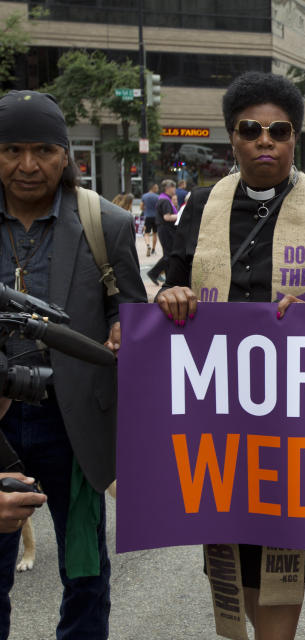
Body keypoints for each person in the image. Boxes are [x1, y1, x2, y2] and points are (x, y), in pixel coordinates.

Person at [156, 71, 305, 640]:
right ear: (232, 138)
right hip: (217, 427)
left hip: (298, 426)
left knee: (286, 557)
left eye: (278, 130)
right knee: (230, 552)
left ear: (294, 138)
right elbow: (170, 289)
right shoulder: (202, 207)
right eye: (250, 129)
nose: (265, 140)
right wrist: (171, 296)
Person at [0, 90, 147, 639]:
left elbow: (130, 306)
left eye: (43, 149)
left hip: (76, 426)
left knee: (85, 574)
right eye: (12, 149)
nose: (28, 165)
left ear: (65, 155)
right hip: (0, 422)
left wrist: (123, 329)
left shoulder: (104, 223)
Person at [145, 179, 178, 285]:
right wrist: (180, 216)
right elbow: (167, 217)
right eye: (173, 187)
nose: (175, 189)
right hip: (166, 229)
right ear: (168, 188)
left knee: (168, 254)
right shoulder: (165, 200)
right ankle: (154, 273)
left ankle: (168, 279)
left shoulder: (163, 199)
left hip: (164, 229)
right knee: (169, 255)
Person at [140, 182, 159, 256]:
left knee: (146, 233)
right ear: (153, 188)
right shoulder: (158, 197)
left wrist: (145, 209)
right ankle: (153, 250)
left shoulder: (144, 196)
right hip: (155, 217)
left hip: (147, 216)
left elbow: (141, 207)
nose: (158, 189)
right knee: (155, 233)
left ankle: (148, 245)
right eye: (157, 188)